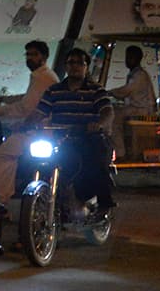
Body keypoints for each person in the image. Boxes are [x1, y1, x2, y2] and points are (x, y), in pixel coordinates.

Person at [31, 48, 116, 217]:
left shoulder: (96, 90)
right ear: (66, 66)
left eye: (80, 63)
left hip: (88, 138)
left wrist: (99, 124)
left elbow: (108, 112)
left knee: (96, 162)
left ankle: (104, 203)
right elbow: (38, 113)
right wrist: (25, 124)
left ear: (86, 67)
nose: (75, 66)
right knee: (32, 159)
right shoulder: (53, 91)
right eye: (71, 63)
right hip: (61, 140)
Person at [0, 40, 60, 211]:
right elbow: (27, 98)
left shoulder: (43, 77)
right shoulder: (43, 76)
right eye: (28, 54)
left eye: (34, 54)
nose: (29, 58)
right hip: (36, 129)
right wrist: (3, 99)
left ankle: (2, 199)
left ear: (44, 57)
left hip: (35, 131)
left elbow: (26, 107)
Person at [108, 45, 157, 158]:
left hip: (142, 110)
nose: (127, 60)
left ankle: (119, 151)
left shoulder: (140, 75)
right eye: (127, 57)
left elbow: (127, 90)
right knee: (115, 109)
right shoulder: (134, 73)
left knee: (113, 116)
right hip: (135, 108)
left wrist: (109, 92)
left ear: (137, 58)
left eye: (130, 57)